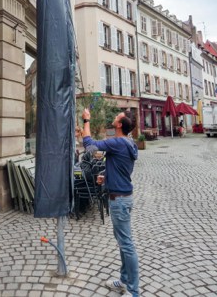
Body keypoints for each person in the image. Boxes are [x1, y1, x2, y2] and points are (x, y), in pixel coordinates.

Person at [82, 108, 139, 297]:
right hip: (123, 197)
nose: (114, 117)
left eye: (117, 117)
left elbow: (89, 146)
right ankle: (123, 280)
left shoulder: (117, 142)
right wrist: (105, 176)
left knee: (127, 245)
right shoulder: (128, 143)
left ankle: (133, 291)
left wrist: (86, 121)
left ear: (120, 125)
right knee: (123, 243)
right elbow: (121, 169)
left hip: (120, 200)